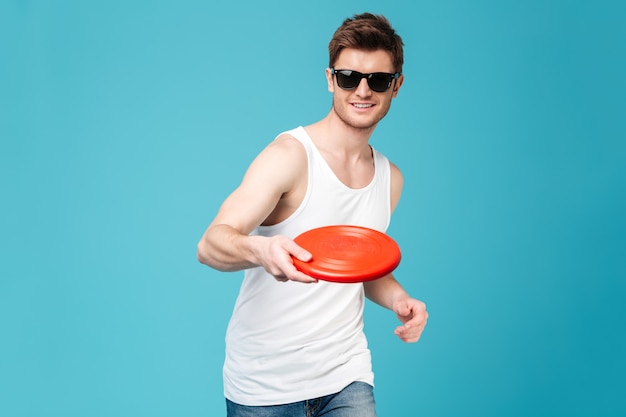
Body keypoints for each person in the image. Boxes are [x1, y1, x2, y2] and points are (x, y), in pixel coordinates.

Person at [197, 12, 428, 417]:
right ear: (329, 80)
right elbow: (211, 244)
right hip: (264, 385)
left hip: (345, 375)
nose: (362, 90)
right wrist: (260, 251)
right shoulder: (290, 156)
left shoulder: (390, 179)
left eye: (377, 80)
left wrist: (399, 299)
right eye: (348, 77)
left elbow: (362, 269)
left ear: (396, 87)